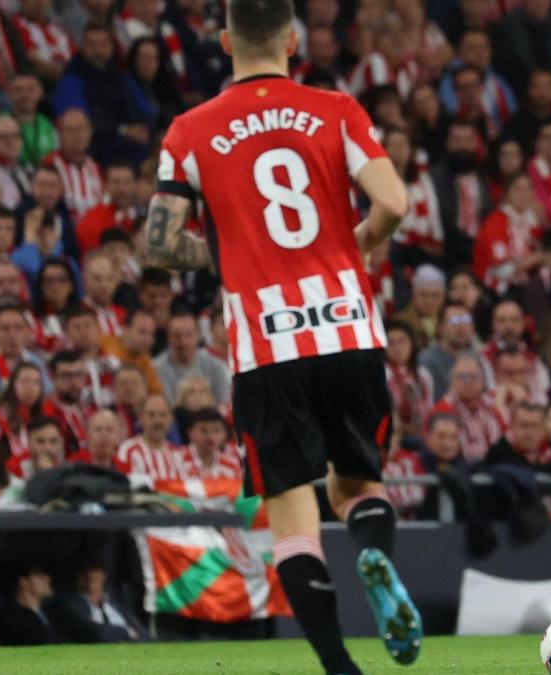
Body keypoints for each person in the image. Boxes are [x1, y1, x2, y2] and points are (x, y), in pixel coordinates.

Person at [142, 0, 416, 671]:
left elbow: (160, 242)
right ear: (293, 38)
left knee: (293, 517)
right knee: (358, 485)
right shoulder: (337, 110)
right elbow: (397, 203)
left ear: (225, 39)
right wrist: (358, 245)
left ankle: (339, 665)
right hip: (347, 325)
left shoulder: (189, 129)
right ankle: (374, 548)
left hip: (267, 341)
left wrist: (226, 255)